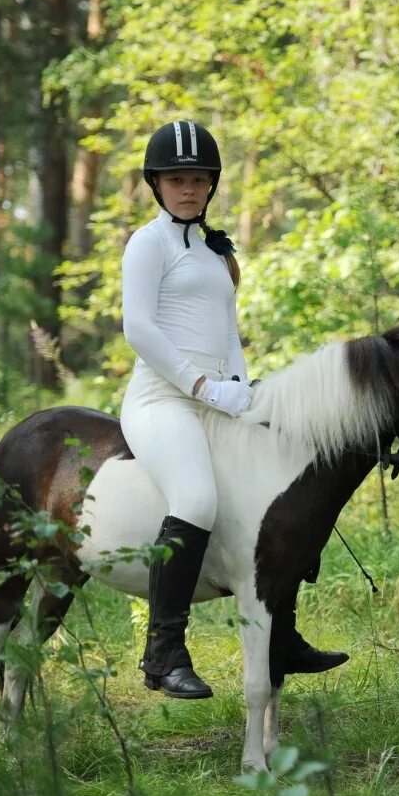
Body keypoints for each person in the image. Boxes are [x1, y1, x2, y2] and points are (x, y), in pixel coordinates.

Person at [121, 120, 347, 698]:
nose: (188, 189)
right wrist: (201, 386)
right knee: (195, 498)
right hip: (163, 400)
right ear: (156, 184)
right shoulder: (149, 243)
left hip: (217, 396)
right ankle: (164, 650)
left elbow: (227, 331)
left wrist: (243, 387)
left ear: (212, 185)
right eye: (177, 179)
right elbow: (140, 328)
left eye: (198, 179)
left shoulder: (214, 251)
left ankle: (283, 635)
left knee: (284, 486)